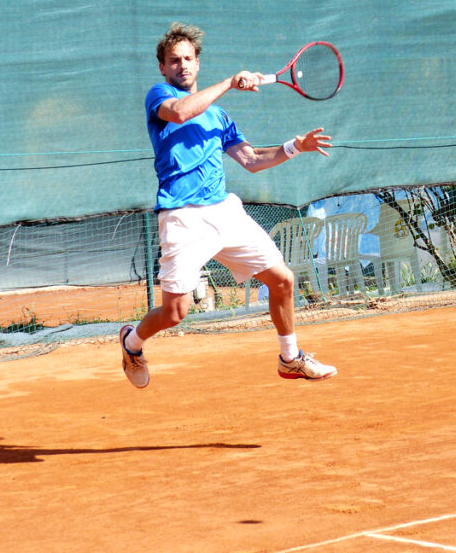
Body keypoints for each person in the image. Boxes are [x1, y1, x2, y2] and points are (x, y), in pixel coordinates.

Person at [119, 22, 337, 389]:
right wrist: (229, 83)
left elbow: (251, 159)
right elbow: (180, 113)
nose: (182, 66)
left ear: (198, 63)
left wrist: (295, 147)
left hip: (224, 212)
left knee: (282, 280)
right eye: (174, 60)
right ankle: (131, 342)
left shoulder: (218, 117)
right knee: (175, 312)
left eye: (188, 59)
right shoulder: (159, 96)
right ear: (162, 67)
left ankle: (290, 359)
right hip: (182, 217)